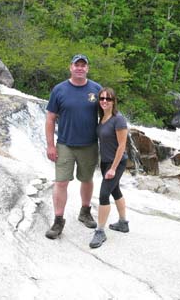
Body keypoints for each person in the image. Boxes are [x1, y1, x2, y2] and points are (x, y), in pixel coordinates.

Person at [45, 54, 101, 240]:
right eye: (76, 65)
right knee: (61, 182)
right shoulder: (59, 90)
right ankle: (58, 220)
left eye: (83, 65)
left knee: (87, 179)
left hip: (89, 144)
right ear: (70, 68)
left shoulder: (96, 89)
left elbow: (106, 115)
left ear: (87, 68)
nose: (79, 68)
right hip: (65, 145)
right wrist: (50, 145)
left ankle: (85, 211)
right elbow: (51, 118)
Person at [89, 87, 129, 249]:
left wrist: (113, 168)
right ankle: (123, 223)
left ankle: (100, 231)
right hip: (105, 161)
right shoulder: (102, 117)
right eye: (102, 98)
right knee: (115, 191)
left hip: (116, 163)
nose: (105, 101)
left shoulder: (118, 119)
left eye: (108, 99)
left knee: (104, 195)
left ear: (114, 101)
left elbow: (121, 146)